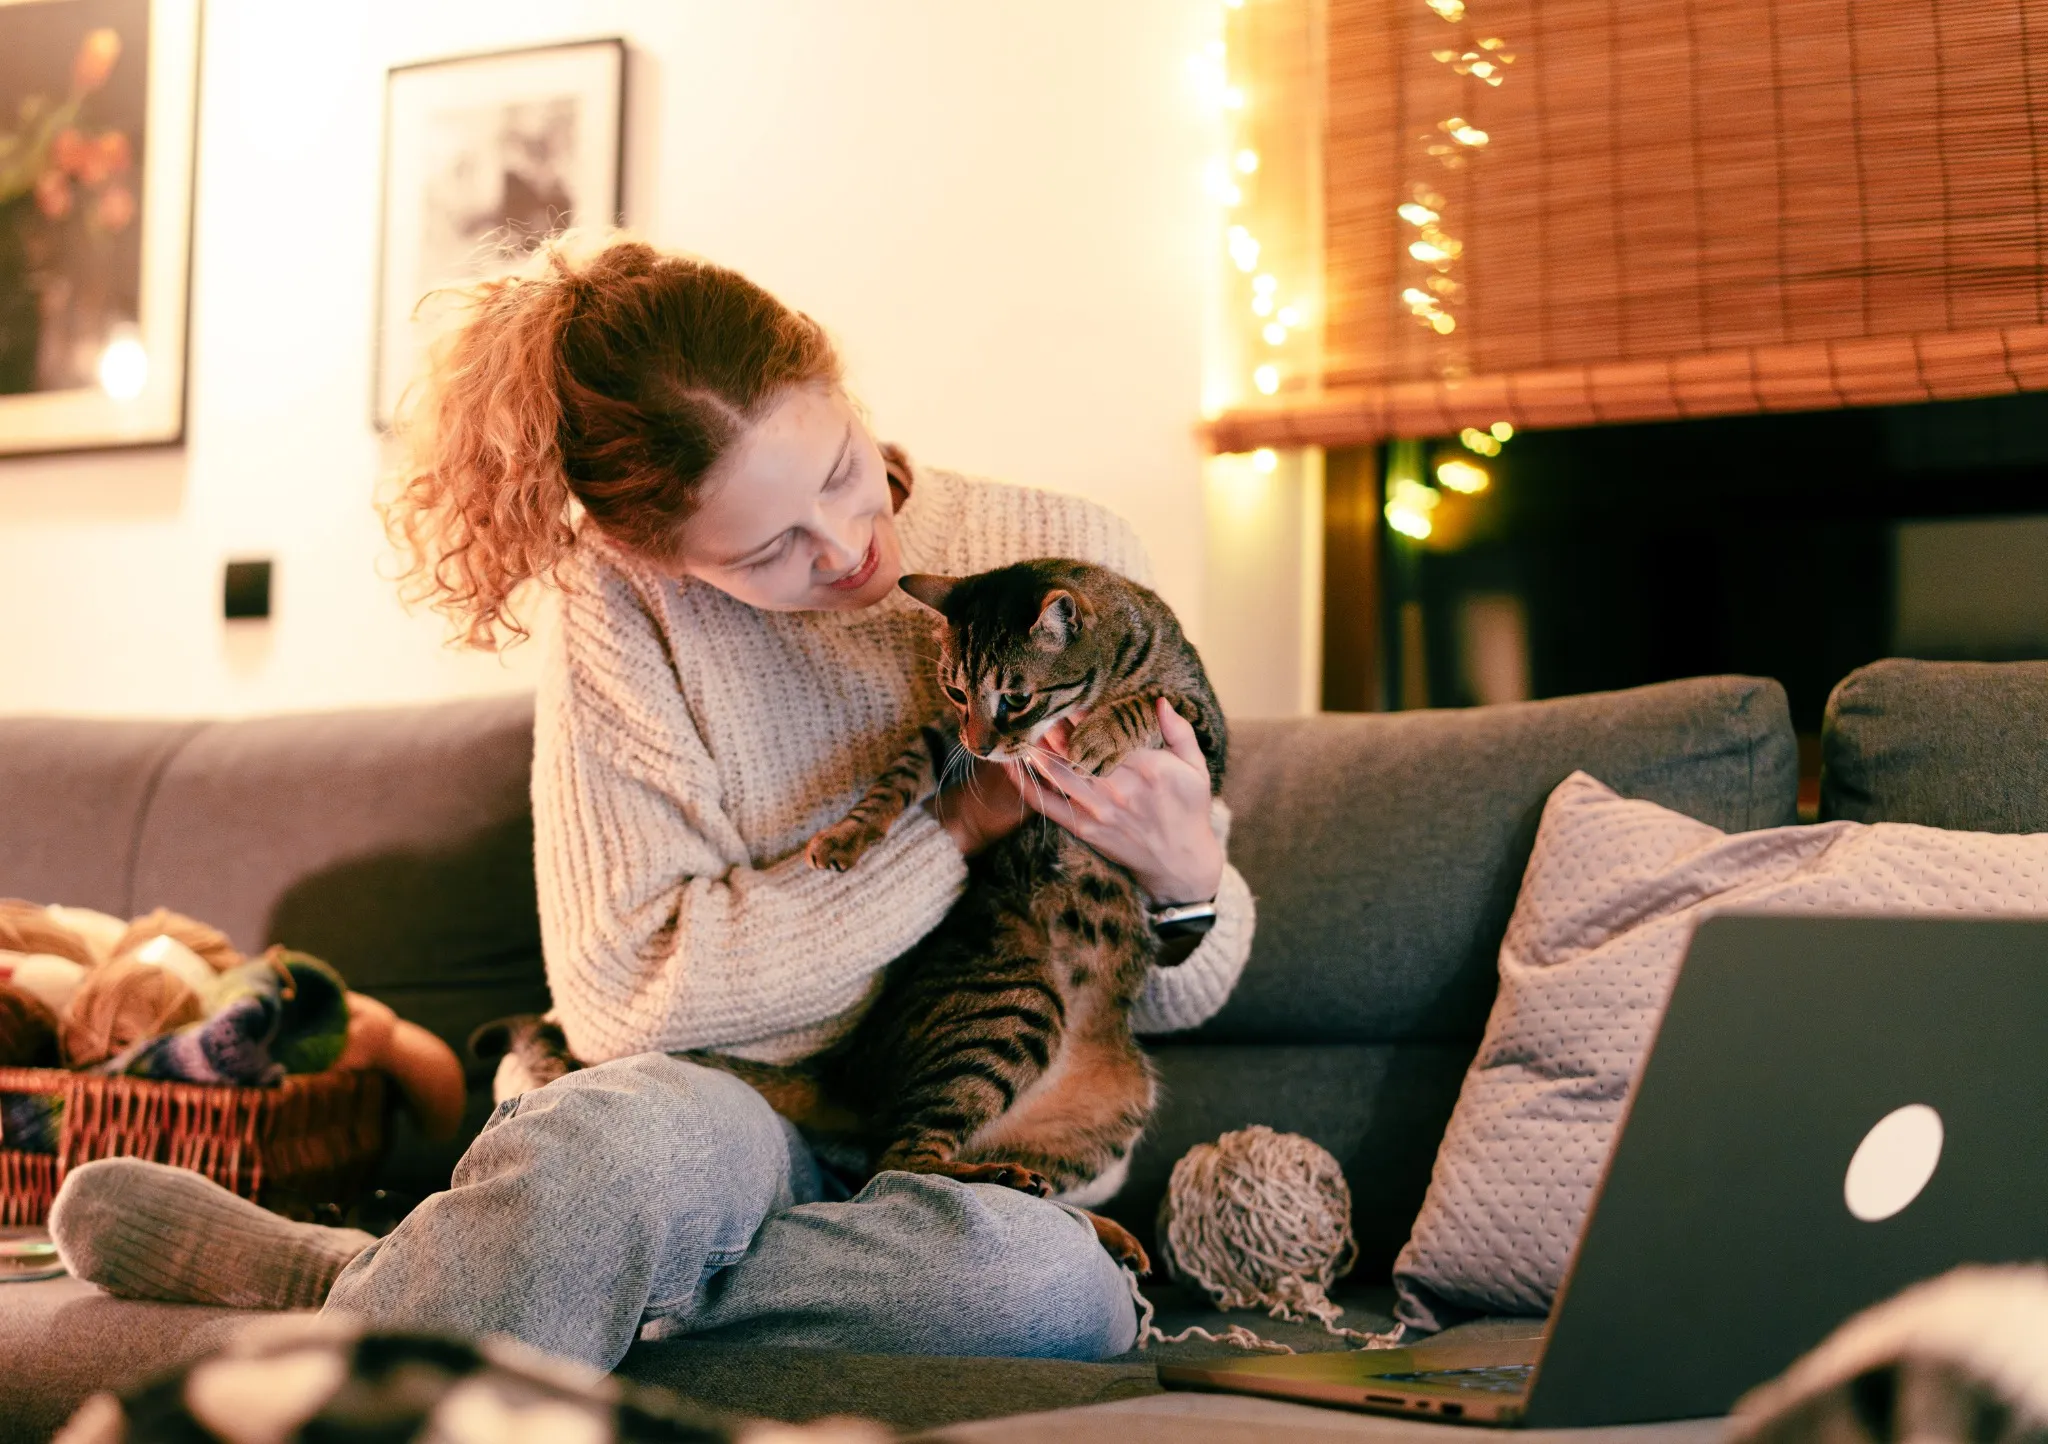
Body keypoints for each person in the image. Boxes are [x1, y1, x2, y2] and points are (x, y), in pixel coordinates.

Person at [49, 236, 1255, 1369]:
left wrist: (1186, 878)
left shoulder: (1064, 553)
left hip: (981, 1146)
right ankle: (525, 1260)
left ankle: (398, 1278)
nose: (844, 548)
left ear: (834, 380)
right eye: (764, 551)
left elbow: (1180, 990)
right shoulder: (619, 610)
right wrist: (953, 827)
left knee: (1041, 1293)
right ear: (662, 557)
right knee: (609, 1153)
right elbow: (627, 996)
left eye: (839, 470)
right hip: (728, 1109)